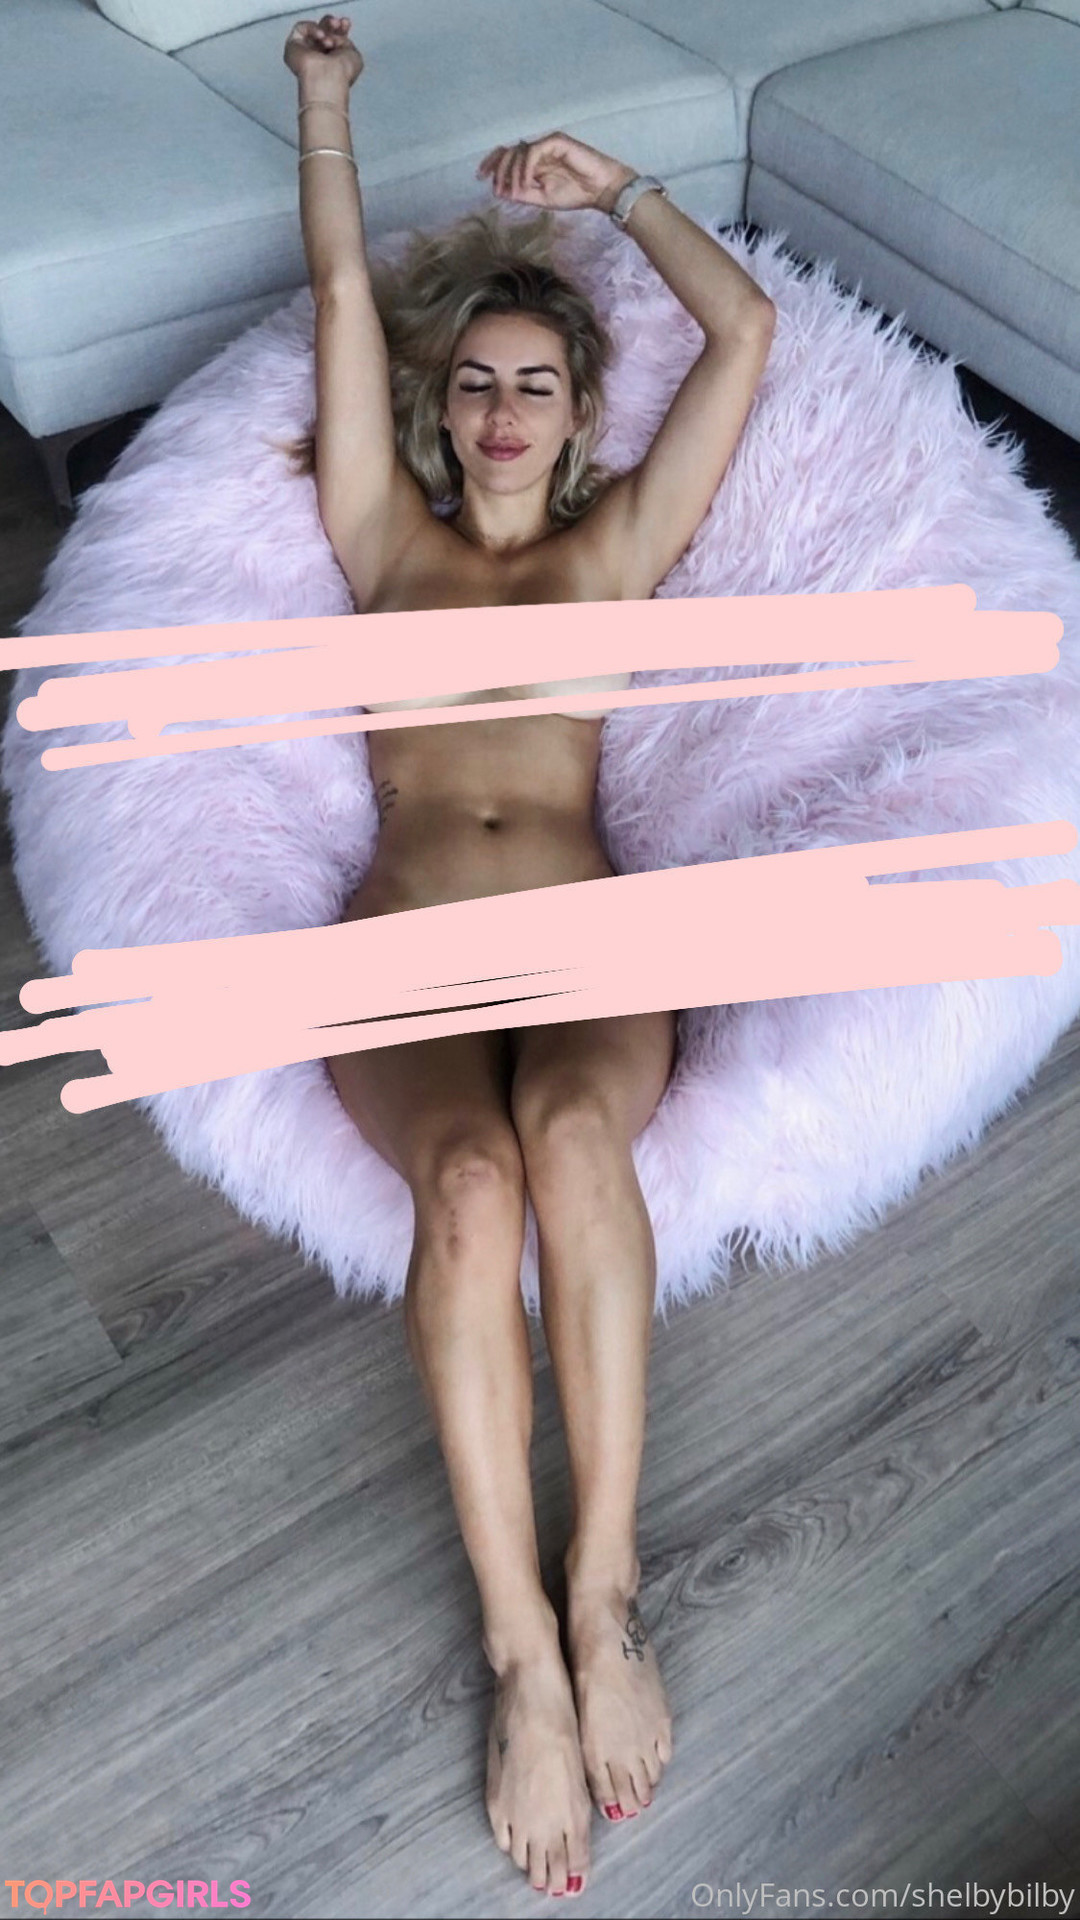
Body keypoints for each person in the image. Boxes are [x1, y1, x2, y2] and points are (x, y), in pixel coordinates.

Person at [284, 13, 775, 1899]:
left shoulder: (611, 557)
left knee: (570, 1143)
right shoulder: (382, 541)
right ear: (444, 407)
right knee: (473, 1183)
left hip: (585, 943)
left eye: (539, 384)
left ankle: (605, 1591)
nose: (503, 410)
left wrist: (620, 190)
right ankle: (519, 1655)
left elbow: (745, 334)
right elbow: (344, 293)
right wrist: (327, 105)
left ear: (580, 415)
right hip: (404, 952)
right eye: (479, 380)